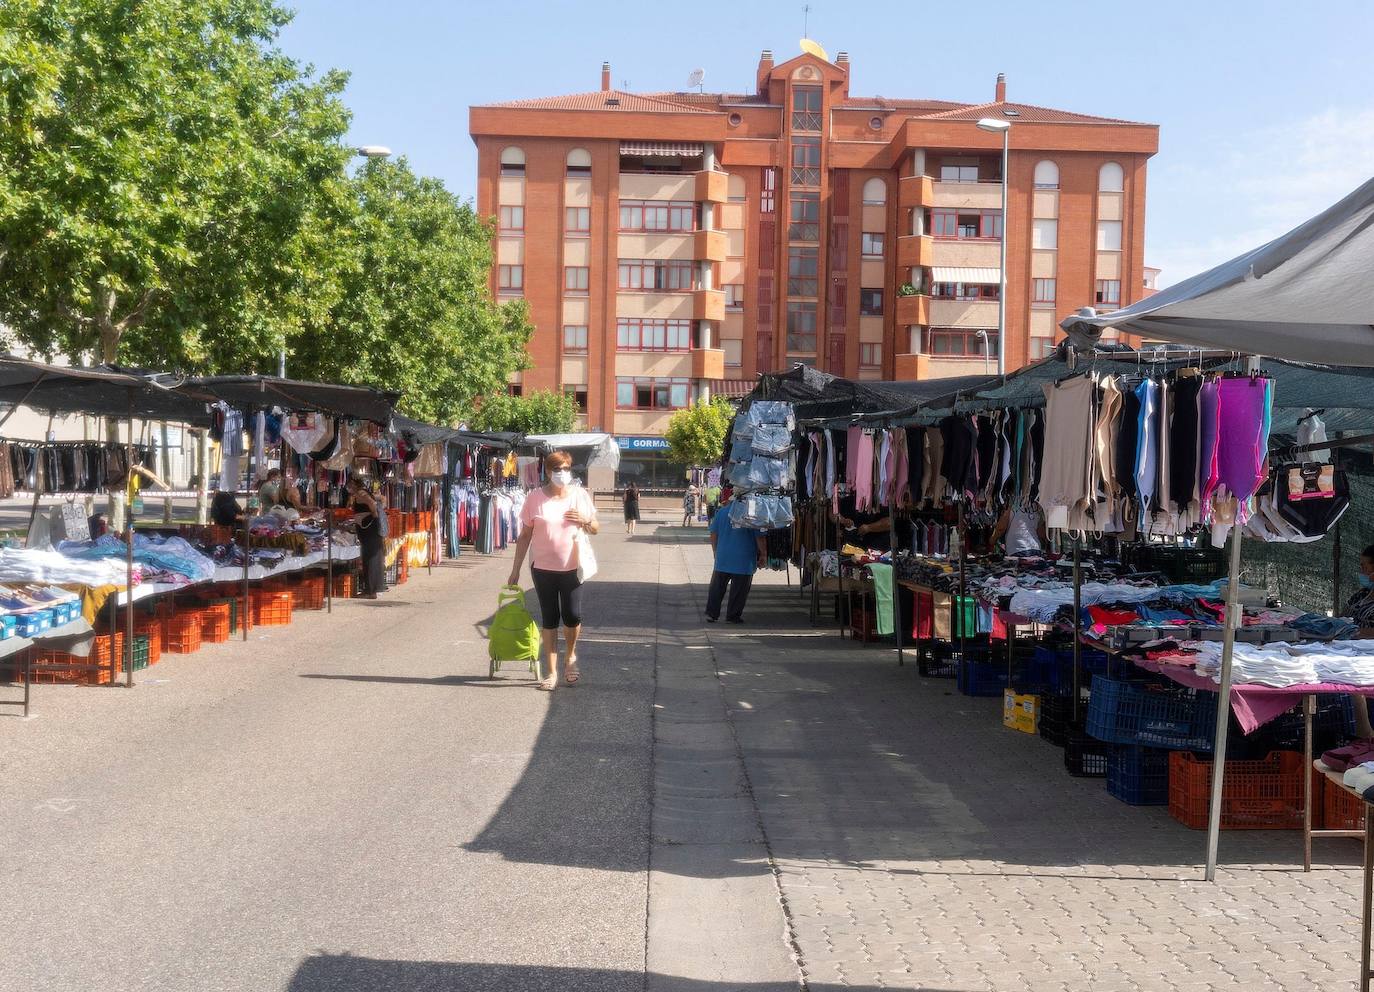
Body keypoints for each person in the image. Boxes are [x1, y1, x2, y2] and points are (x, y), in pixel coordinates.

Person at [508, 450, 599, 690]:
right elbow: (525, 535)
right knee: (549, 619)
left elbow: (595, 527)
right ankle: (551, 673)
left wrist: (585, 520)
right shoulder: (535, 498)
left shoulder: (579, 496)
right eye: (557, 469)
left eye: (567, 469)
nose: (562, 474)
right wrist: (515, 569)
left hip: (573, 567)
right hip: (542, 568)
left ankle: (570, 657)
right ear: (548, 471)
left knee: (572, 616)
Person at [705, 495, 767, 624]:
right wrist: (763, 555)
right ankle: (733, 616)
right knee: (739, 590)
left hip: (723, 557)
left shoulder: (722, 512)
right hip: (743, 559)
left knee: (717, 587)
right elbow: (760, 538)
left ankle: (712, 613)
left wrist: (715, 550)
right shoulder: (751, 513)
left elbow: (713, 533)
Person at [347, 476, 387, 599]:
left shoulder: (361, 493)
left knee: (370, 557)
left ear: (354, 483)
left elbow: (373, 503)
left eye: (349, 484)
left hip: (369, 528)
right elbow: (383, 500)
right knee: (371, 557)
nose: (348, 487)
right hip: (368, 528)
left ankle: (370, 590)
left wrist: (374, 516)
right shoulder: (361, 493)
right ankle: (371, 589)